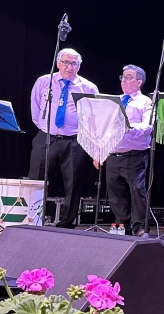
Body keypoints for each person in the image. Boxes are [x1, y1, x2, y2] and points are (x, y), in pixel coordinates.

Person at [28, 48, 98, 228]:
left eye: (74, 63)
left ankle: (67, 222)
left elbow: (93, 117)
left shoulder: (88, 87)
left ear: (79, 65)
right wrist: (46, 128)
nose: (70, 67)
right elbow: (35, 110)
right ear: (58, 63)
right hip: (47, 137)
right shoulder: (44, 81)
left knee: (73, 183)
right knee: (36, 179)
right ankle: (33, 219)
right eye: (66, 62)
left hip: (75, 140)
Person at [97, 65, 152, 236]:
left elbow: (148, 124)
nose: (124, 80)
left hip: (134, 154)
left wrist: (130, 128)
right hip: (113, 154)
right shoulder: (116, 100)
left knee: (137, 191)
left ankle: (140, 226)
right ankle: (123, 225)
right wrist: (99, 151)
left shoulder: (145, 102)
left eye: (129, 77)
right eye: (123, 77)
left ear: (139, 82)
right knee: (115, 192)